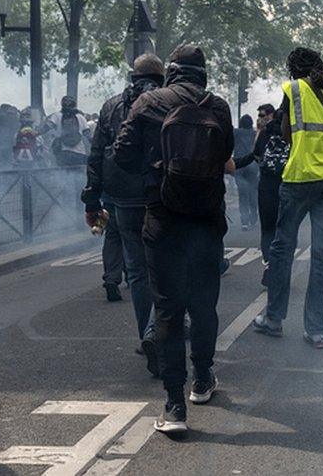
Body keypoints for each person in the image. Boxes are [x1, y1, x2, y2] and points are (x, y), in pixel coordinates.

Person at [114, 44, 234, 433]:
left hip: (163, 219)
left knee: (167, 310)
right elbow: (226, 155)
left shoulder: (148, 102)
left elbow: (123, 156)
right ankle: (202, 380)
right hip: (207, 220)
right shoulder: (218, 107)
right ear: (203, 74)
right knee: (204, 306)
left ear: (171, 72)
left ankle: (174, 406)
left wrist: (158, 165)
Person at [250, 47, 323, 349]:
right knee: (322, 255)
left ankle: (274, 319)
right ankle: (316, 329)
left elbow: (286, 132)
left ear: (294, 70)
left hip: (300, 178)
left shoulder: (293, 89)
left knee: (282, 249)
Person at [83, 54, 165, 376]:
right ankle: (155, 330)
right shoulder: (166, 100)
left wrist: (92, 198)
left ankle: (146, 330)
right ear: (161, 76)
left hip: (123, 198)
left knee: (138, 271)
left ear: (133, 75)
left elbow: (96, 154)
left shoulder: (111, 106)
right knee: (167, 265)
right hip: (159, 194)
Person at [234, 104, 288, 261]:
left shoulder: (264, 134)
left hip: (267, 186)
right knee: (284, 229)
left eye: (262, 115)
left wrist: (234, 164)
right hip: (287, 185)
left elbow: (256, 156)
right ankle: (282, 265)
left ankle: (269, 263)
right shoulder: (292, 134)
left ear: (271, 116)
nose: (260, 119)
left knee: (268, 229)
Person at [45, 96, 90, 167]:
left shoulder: (57, 116)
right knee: (80, 175)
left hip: (63, 154)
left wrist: (36, 133)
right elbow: (87, 134)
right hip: (80, 153)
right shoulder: (81, 117)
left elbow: (47, 127)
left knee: (63, 174)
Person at [233, 114, 259, 231]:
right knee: (253, 192)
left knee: (242, 194)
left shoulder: (235, 133)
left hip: (239, 165)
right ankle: (254, 218)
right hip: (252, 165)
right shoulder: (254, 134)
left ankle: (244, 221)